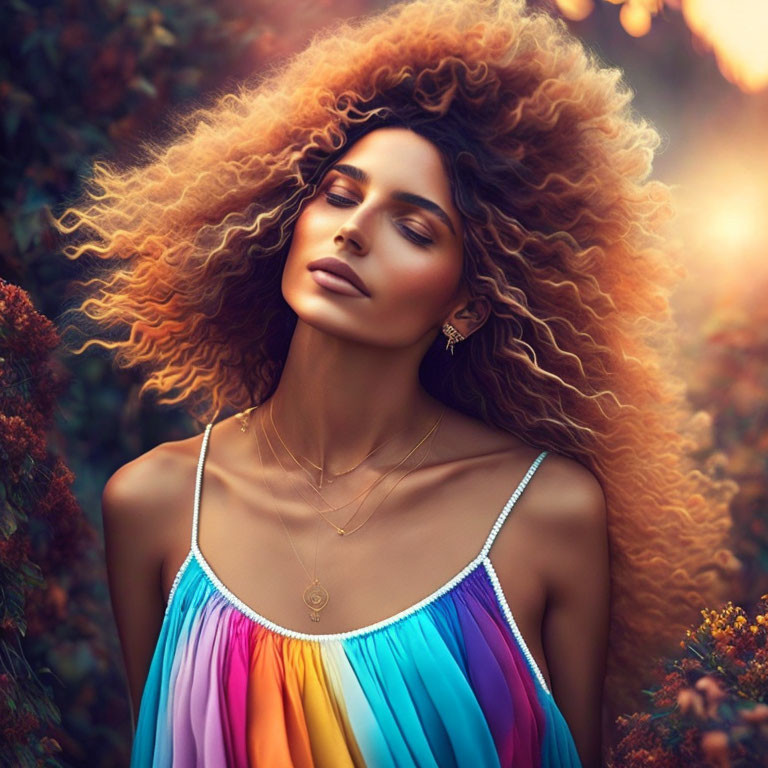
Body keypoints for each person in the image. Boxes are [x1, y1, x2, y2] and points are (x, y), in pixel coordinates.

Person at [56, 0, 735, 765]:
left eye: (414, 228)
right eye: (339, 195)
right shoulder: (152, 503)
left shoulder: (546, 514)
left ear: (470, 302)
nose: (352, 230)